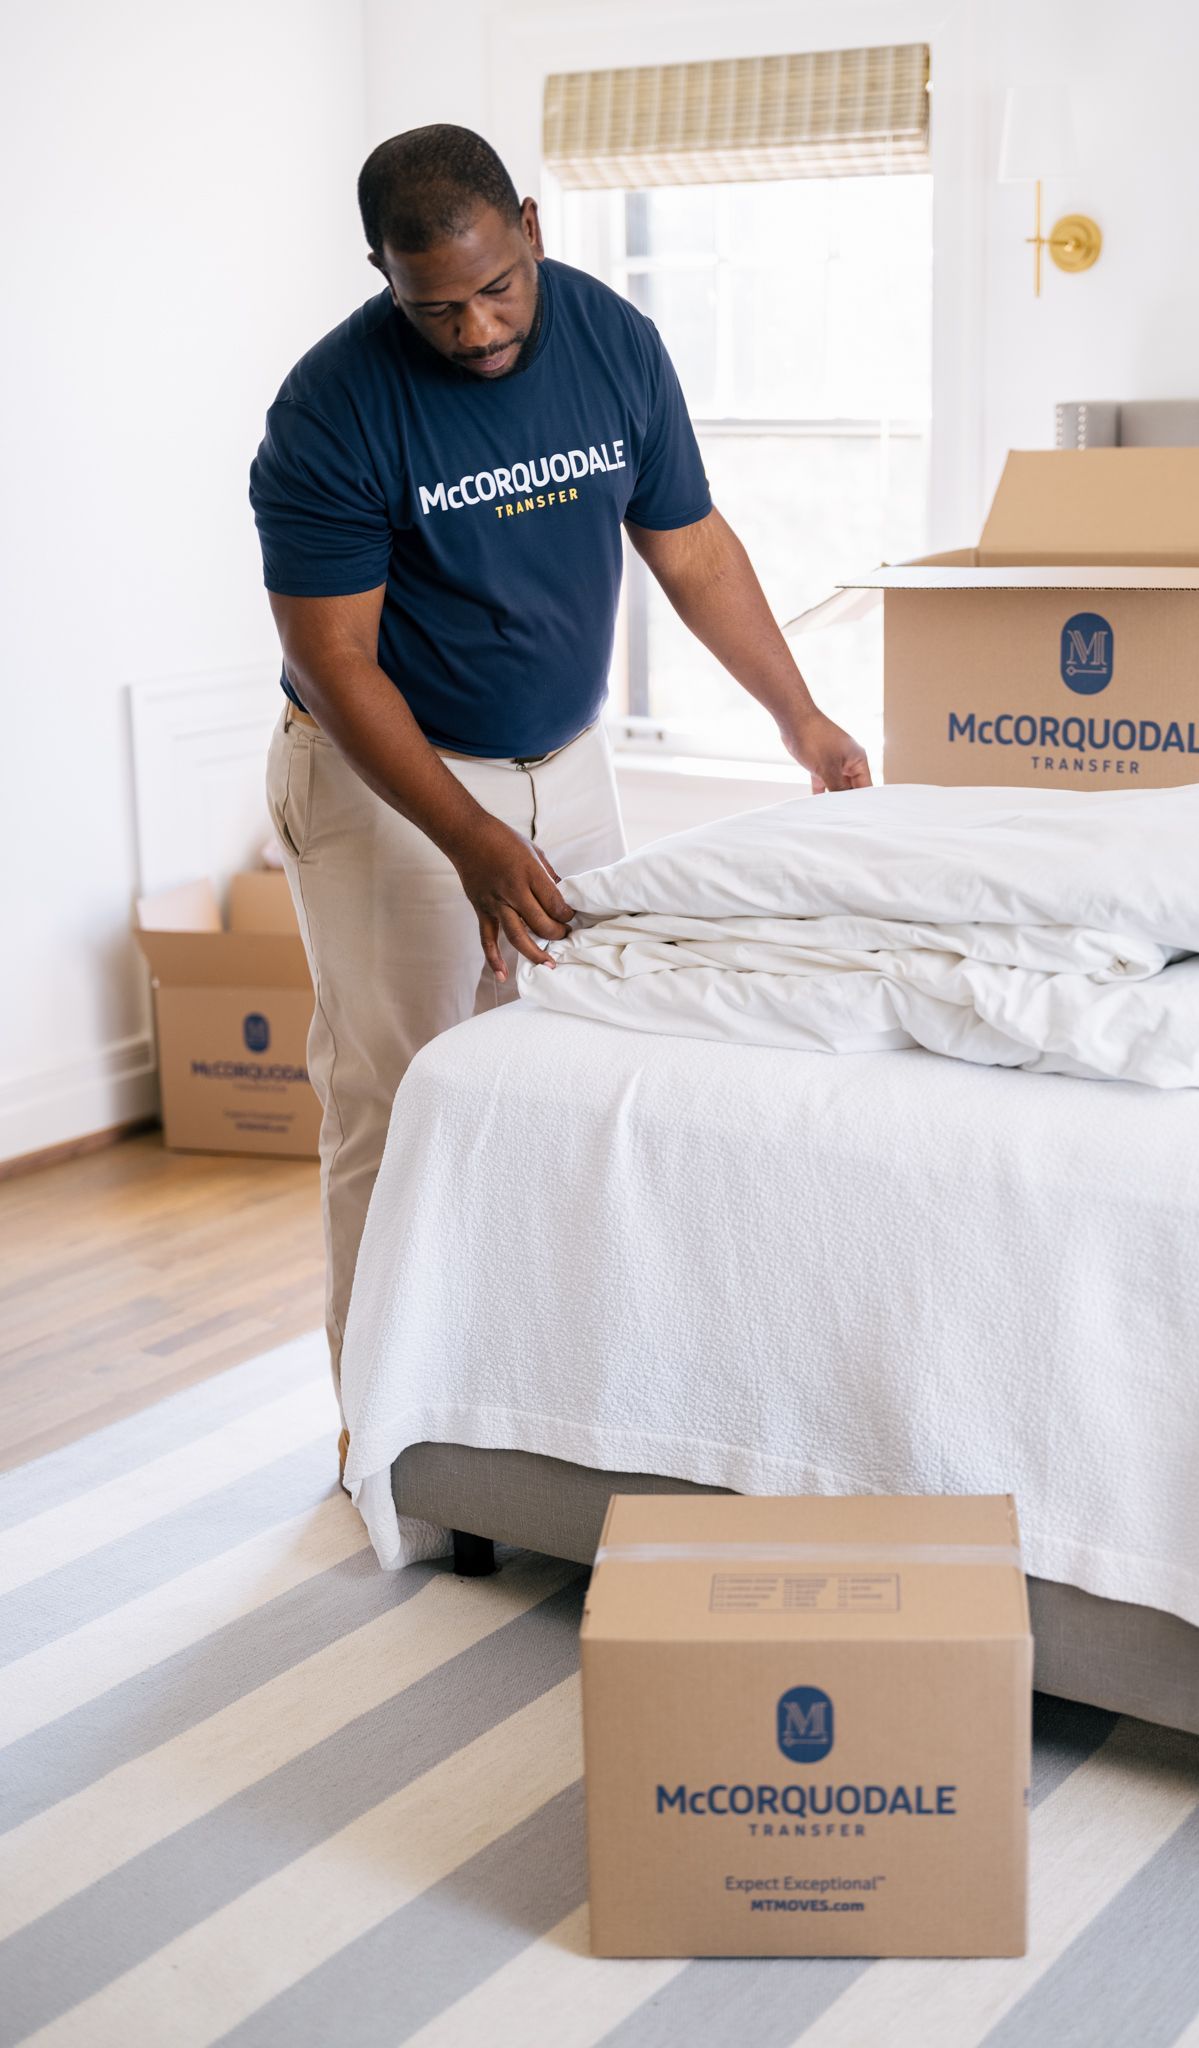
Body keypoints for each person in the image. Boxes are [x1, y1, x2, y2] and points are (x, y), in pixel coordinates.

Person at [251, 126, 870, 1466]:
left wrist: (799, 714)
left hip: (561, 762)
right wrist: (468, 836)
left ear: (530, 224)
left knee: (567, 1077)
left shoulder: (612, 342)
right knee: (403, 1096)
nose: (475, 329)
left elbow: (692, 546)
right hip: (393, 782)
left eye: (496, 287)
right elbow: (334, 660)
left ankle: (537, 1403)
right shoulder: (333, 411)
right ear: (381, 275)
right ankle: (389, 1434)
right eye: (436, 306)